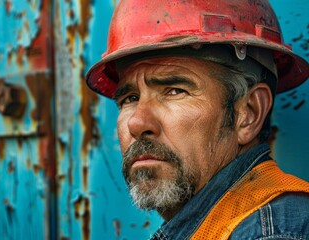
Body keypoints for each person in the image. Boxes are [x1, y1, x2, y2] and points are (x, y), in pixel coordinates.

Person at [85, 0, 309, 239]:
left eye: (174, 91)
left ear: (249, 113)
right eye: (130, 98)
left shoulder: (271, 233)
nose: (137, 123)